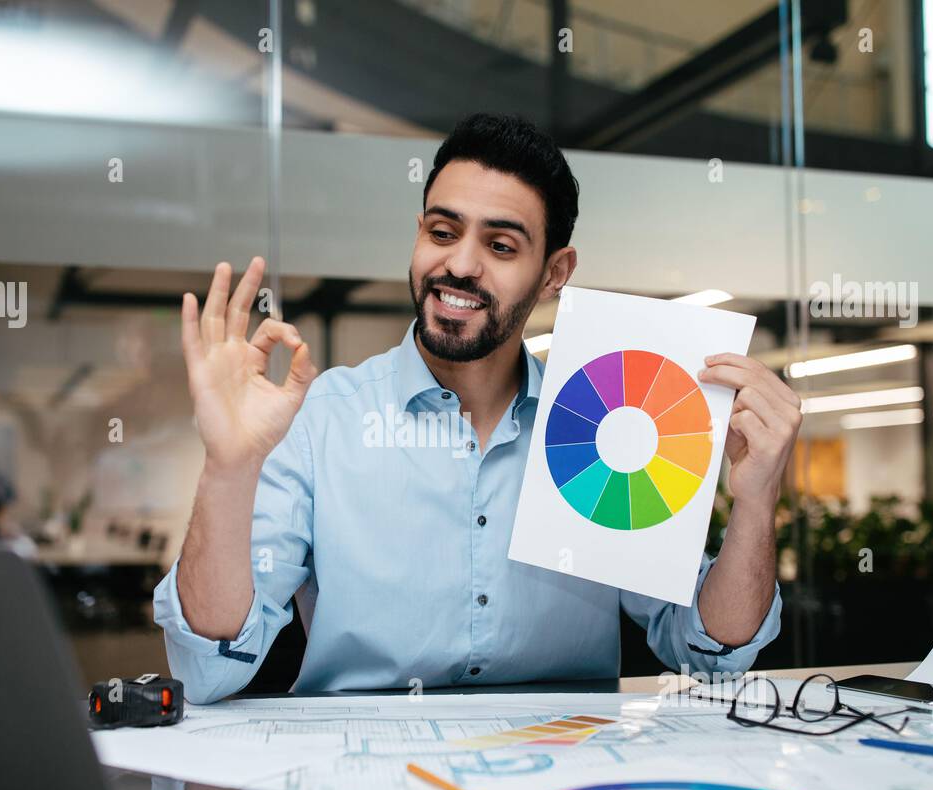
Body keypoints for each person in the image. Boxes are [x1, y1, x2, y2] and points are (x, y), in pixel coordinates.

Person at [155, 113, 802, 705]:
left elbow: (708, 654)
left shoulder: (614, 425)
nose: (458, 265)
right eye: (442, 232)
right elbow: (210, 666)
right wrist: (227, 466)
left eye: (500, 246)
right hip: (362, 775)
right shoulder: (322, 418)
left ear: (554, 273)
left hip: (565, 781)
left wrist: (754, 503)